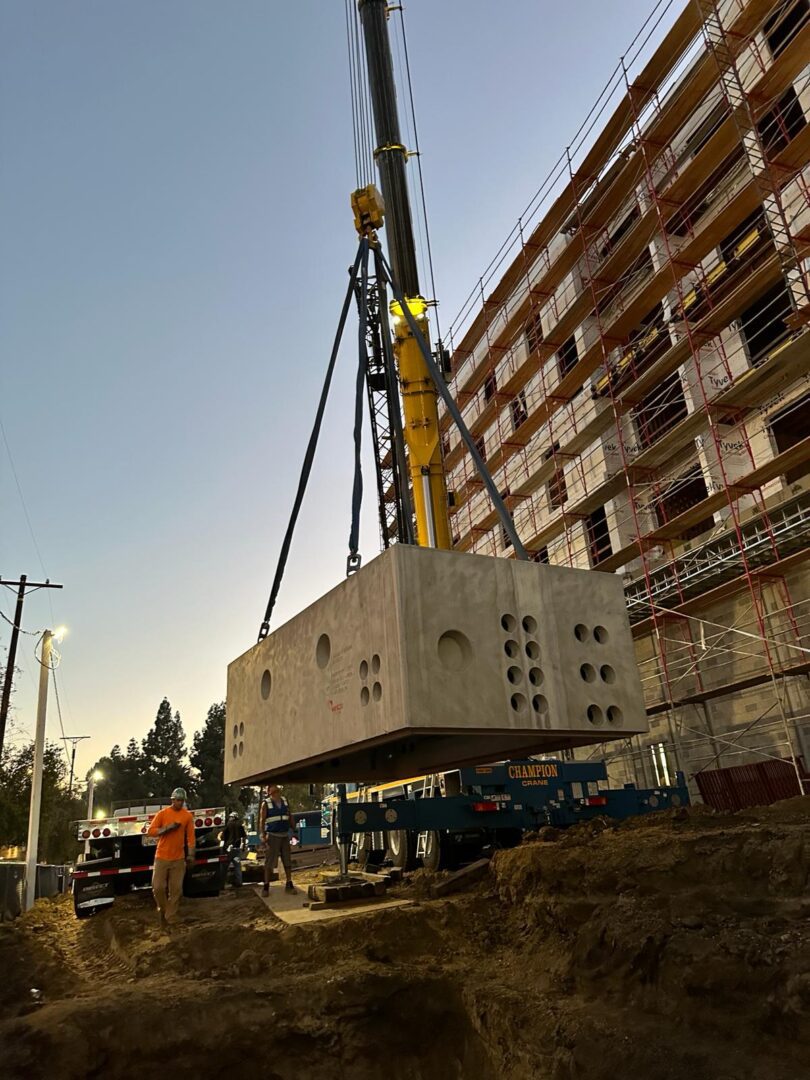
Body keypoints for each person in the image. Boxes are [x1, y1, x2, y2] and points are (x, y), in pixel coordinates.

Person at [147, 787, 195, 928]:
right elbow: (151, 831)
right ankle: (164, 910)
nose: (180, 803)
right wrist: (167, 828)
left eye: (182, 800)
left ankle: (171, 916)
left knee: (176, 889)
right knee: (158, 887)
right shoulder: (163, 814)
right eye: (178, 800)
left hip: (178, 858)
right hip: (162, 857)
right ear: (172, 800)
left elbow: (191, 838)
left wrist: (191, 855)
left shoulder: (187, 816)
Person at [260, 783, 297, 895]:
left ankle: (289, 883)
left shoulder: (285, 801)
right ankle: (266, 886)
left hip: (284, 835)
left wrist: (294, 829)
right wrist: (262, 835)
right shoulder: (266, 803)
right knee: (269, 862)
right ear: (269, 792)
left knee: (287, 860)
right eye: (272, 790)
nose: (275, 791)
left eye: (276, 789)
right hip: (272, 835)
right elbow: (262, 820)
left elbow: (289, 815)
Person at [220, 811, 247, 888]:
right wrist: (243, 846)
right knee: (237, 866)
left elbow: (223, 837)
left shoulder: (228, 825)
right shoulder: (240, 825)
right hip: (237, 850)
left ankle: (221, 884)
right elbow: (244, 837)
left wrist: (223, 848)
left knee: (224, 867)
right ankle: (239, 882)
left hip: (228, 850)